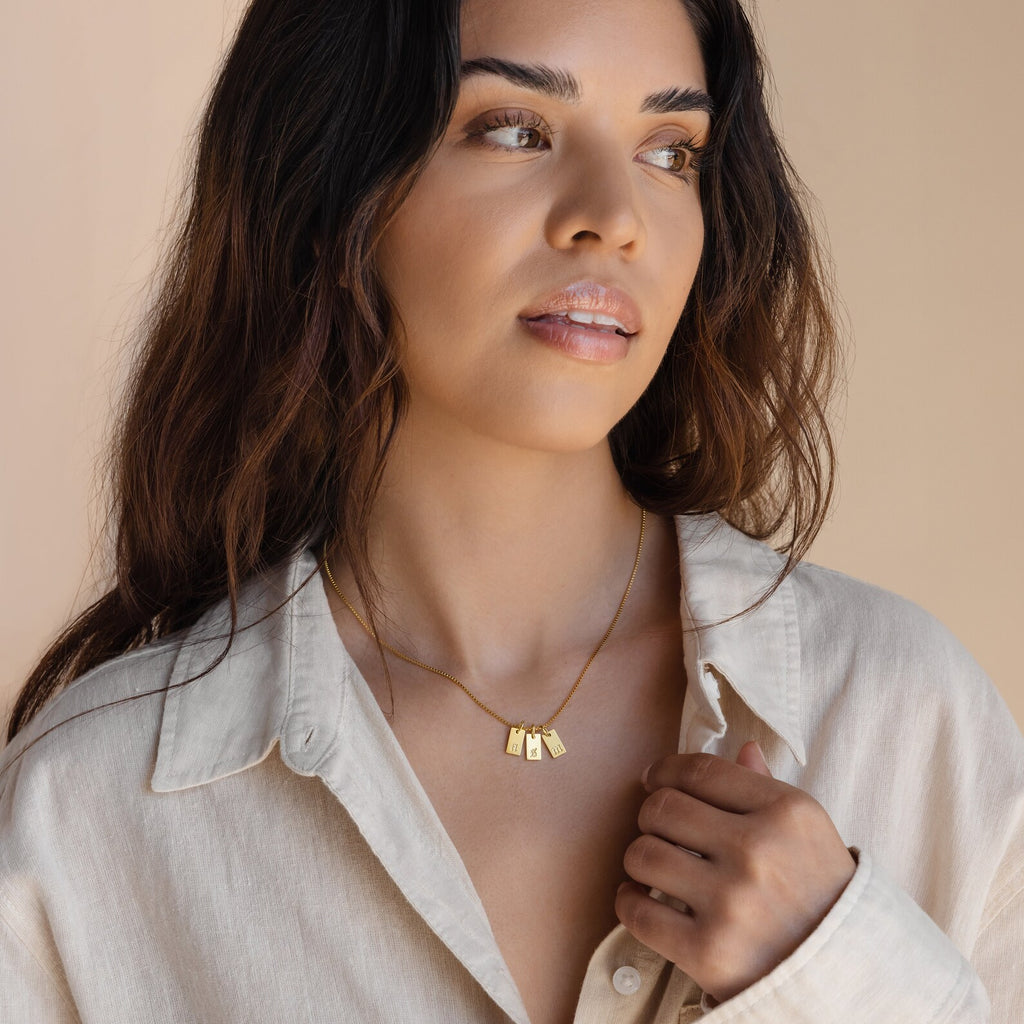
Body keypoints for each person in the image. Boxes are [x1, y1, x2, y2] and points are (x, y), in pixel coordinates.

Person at [1, 0, 1021, 1020]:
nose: (611, 215)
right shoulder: (92, 812)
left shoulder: (908, 720)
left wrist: (845, 975)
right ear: (325, 174)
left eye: (670, 150)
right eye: (514, 130)